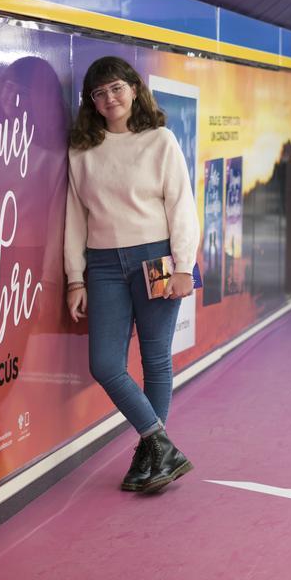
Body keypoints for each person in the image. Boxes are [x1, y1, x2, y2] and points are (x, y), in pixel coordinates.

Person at [65, 56, 200, 494]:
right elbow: (74, 219)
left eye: (116, 88)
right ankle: (159, 445)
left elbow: (181, 206)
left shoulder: (160, 141)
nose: (109, 99)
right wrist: (74, 278)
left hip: (156, 260)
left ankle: (152, 458)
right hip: (103, 265)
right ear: (91, 101)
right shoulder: (82, 150)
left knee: (155, 359)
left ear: (135, 90)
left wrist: (183, 266)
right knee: (105, 364)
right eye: (99, 93)